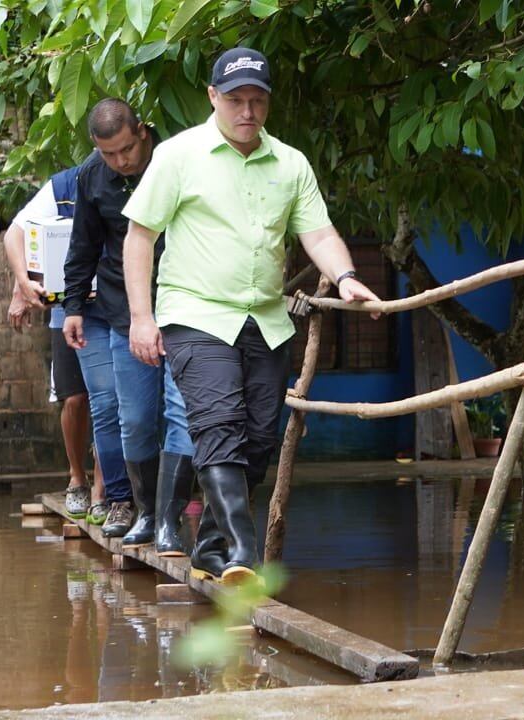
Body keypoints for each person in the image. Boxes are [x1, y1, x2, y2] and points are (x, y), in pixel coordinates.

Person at [122, 47, 382, 584]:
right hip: (195, 315)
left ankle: (212, 546)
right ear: (213, 97)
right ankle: (246, 553)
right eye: (236, 99)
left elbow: (317, 233)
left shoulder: (290, 163)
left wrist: (348, 276)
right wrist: (141, 318)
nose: (247, 111)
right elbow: (140, 236)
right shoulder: (178, 155)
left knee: (260, 438)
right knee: (217, 427)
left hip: (266, 320)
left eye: (257, 100)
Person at [63, 98, 196, 547]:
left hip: (183, 306)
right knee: (135, 418)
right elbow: (83, 243)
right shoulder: (92, 177)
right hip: (124, 312)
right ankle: (144, 510)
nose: (121, 162)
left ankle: (169, 523)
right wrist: (75, 306)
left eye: (126, 150)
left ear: (142, 131)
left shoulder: (178, 161)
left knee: (181, 414)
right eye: (109, 155)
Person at [5, 168, 106, 523]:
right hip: (67, 308)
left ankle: (103, 488)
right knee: (74, 397)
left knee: (109, 400)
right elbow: (16, 232)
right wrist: (22, 284)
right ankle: (77, 477)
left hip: (113, 308)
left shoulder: (135, 179)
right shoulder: (64, 186)